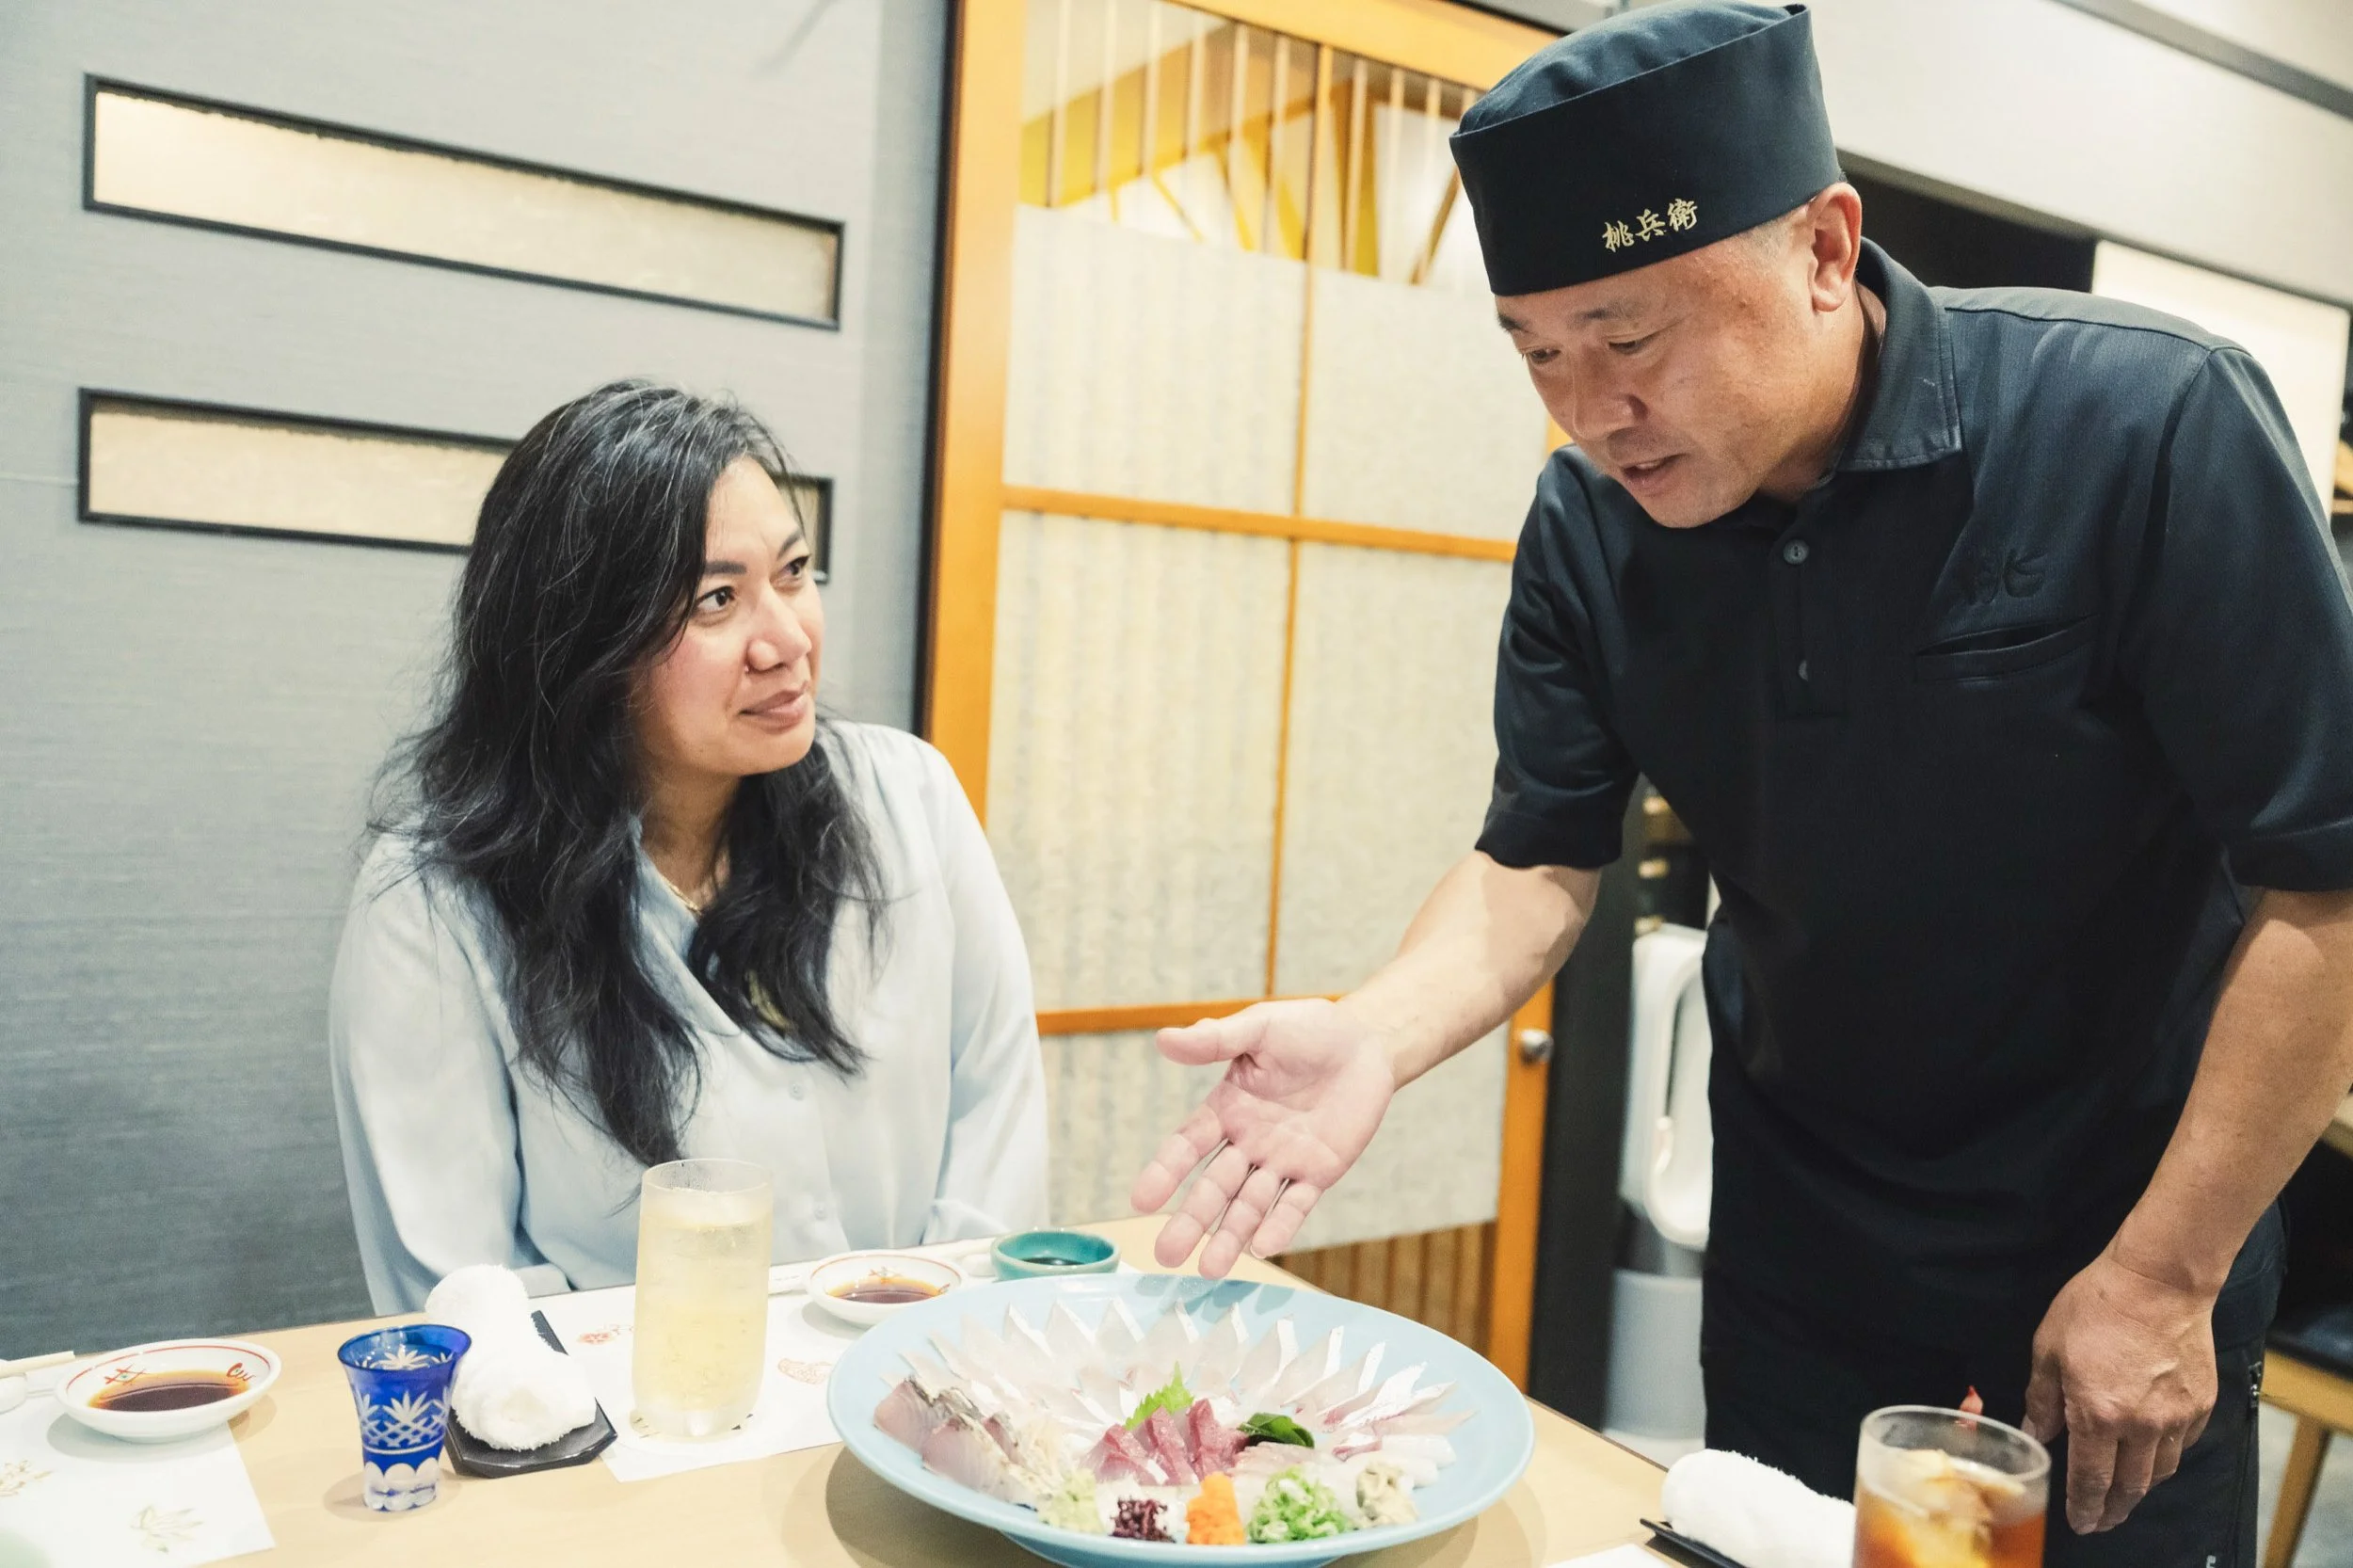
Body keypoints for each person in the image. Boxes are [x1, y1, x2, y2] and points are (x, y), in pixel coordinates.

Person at [1128, 7, 2353, 1563]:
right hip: (1803, 1243)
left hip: (2116, 1243)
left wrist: (2171, 1277)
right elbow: (1536, 860)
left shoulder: (2146, 425)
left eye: (1631, 340)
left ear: (1827, 249)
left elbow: (2327, 877)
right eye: (1538, 353)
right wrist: (1374, 1033)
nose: (1585, 410)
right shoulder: (1588, 524)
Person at [330, 380, 1047, 1312]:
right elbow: (467, 1301)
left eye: (793, 573)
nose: (786, 639)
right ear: (583, 645)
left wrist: (929, 1361)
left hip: (923, 1393)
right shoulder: (433, 905)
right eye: (717, 600)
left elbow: (998, 1117)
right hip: (633, 1436)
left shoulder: (908, 799)